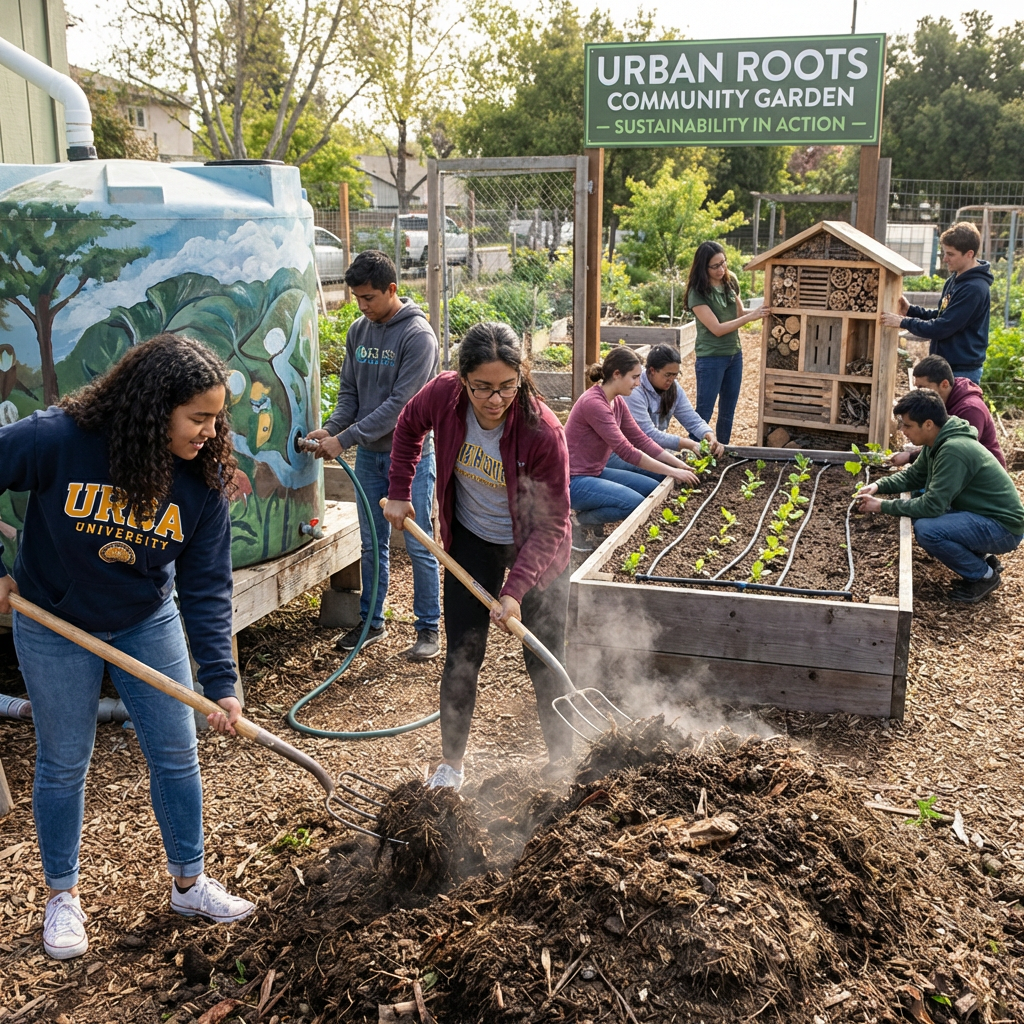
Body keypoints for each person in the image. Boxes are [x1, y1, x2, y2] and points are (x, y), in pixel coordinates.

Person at [0, 334, 256, 962]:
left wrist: (222, 683)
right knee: (64, 761)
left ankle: (189, 884)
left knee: (176, 752)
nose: (210, 429)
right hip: (54, 622)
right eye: (198, 417)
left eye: (216, 416)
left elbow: (206, 588)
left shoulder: (202, 479)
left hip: (146, 618)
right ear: (152, 407)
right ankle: (62, 896)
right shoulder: (57, 439)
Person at [384, 322, 573, 790]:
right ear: (463, 378)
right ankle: (452, 765)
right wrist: (399, 492)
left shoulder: (542, 432)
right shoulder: (444, 396)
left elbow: (551, 524)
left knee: (544, 656)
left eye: (507, 386)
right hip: (472, 538)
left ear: (521, 376)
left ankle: (563, 759)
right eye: (483, 387)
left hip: (535, 547)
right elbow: (408, 426)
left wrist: (513, 592)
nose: (495, 398)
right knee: (462, 654)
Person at [306, 250, 441, 661]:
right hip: (369, 458)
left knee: (418, 544)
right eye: (357, 298)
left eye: (369, 297)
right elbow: (350, 394)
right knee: (371, 543)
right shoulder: (358, 332)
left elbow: (401, 407)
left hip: (411, 457)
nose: (362, 306)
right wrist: (331, 429)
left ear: (392, 290)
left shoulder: (418, 337)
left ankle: (428, 628)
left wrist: (344, 439)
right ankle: (371, 623)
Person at [855, 389, 1024, 603]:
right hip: (983, 515)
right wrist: (878, 486)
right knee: (922, 507)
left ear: (927, 424)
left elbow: (933, 506)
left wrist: (882, 506)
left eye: (907, 425)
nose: (903, 431)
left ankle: (984, 576)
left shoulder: (953, 450)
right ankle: (984, 560)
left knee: (927, 530)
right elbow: (914, 477)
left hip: (1004, 528)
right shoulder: (936, 442)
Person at [565, 346, 699, 538]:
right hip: (572, 480)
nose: (638, 384)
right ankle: (577, 523)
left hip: (594, 471)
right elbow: (626, 451)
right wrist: (673, 471)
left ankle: (590, 519)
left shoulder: (617, 401)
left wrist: (680, 465)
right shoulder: (594, 403)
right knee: (635, 503)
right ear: (617, 374)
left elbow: (641, 439)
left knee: (654, 490)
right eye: (635, 377)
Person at [879, 222, 993, 384]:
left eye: (951, 254)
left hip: (962, 371)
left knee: (955, 410)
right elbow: (942, 315)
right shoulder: (955, 279)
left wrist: (904, 322)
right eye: (944, 253)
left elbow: (942, 327)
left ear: (969, 254)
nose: (945, 259)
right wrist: (911, 310)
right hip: (947, 366)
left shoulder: (974, 289)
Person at [684, 241, 768, 445]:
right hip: (710, 358)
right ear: (703, 267)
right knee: (704, 410)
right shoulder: (697, 292)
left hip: (734, 355)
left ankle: (722, 450)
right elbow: (717, 329)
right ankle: (692, 453)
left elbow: (739, 313)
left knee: (728, 410)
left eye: (723, 263)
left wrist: (763, 312)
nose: (721, 269)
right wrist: (751, 317)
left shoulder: (730, 281)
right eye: (715, 266)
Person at [622, 344, 726, 475]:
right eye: (667, 375)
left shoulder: (673, 388)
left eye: (675, 375)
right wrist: (688, 444)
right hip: (632, 453)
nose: (671, 380)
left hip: (657, 452)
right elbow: (648, 434)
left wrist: (709, 435)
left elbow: (692, 420)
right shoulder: (635, 390)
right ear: (652, 370)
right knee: (667, 478)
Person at [891, 355, 1006, 469]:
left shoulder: (970, 409)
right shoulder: (945, 399)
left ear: (944, 384)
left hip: (981, 476)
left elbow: (959, 451)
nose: (920, 392)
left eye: (923, 387)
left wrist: (911, 457)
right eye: (917, 388)